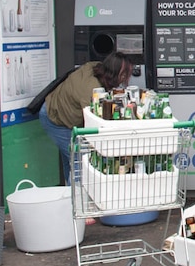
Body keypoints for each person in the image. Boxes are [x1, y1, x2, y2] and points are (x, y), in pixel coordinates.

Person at [40, 51, 134, 186]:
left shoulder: (95, 67)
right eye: (124, 75)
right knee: (80, 161)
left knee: (72, 160)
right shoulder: (91, 90)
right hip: (55, 118)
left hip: (59, 110)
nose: (126, 79)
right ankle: (78, 197)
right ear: (115, 73)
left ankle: (69, 195)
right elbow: (94, 124)